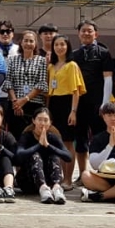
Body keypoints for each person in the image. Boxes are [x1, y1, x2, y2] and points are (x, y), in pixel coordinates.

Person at [70, 19, 115, 187]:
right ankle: (83, 175)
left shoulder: (104, 53)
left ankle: (102, 174)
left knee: (100, 139)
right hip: (80, 103)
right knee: (80, 140)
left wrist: (105, 104)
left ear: (96, 34)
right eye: (83, 31)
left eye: (90, 31)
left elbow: (108, 79)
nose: (86, 33)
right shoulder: (74, 55)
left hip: (98, 103)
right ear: (78, 34)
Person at [47, 34, 86, 190]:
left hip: (67, 104)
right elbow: (49, 91)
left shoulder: (72, 65)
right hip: (53, 105)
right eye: (56, 44)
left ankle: (68, 179)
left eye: (62, 44)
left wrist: (73, 111)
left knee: (68, 142)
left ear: (68, 47)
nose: (59, 47)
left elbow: (76, 91)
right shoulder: (51, 66)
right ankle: (60, 177)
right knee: (57, 142)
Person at [16, 107, 72, 204]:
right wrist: (39, 145)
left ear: (50, 123)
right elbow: (18, 156)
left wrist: (48, 146)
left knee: (54, 155)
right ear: (34, 120)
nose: (42, 123)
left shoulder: (53, 137)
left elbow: (68, 157)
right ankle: (43, 188)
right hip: (29, 181)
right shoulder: (27, 136)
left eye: (46, 120)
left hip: (49, 181)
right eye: (39, 120)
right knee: (35, 155)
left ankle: (57, 188)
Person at [4, 30, 47, 138]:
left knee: (33, 136)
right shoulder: (12, 60)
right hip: (15, 105)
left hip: (34, 104)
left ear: (35, 44)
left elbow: (41, 84)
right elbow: (8, 82)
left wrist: (24, 100)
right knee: (15, 136)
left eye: (31, 41)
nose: (28, 43)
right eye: (26, 40)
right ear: (21, 43)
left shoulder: (41, 60)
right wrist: (15, 102)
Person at [0, 20, 20, 111]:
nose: (5, 34)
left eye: (8, 31)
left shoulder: (20, 50)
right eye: (2, 32)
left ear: (13, 34)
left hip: (16, 96)